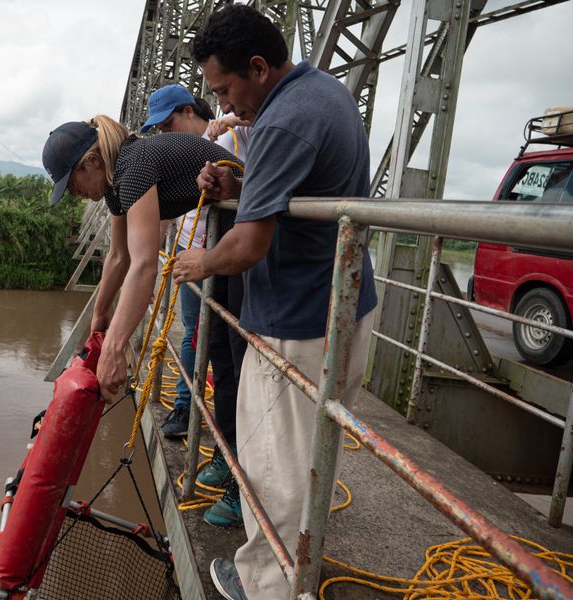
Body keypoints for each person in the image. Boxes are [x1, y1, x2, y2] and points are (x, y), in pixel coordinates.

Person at [172, 5, 378, 600]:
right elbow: (294, 196)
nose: (227, 106)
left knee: (275, 469)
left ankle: (267, 587)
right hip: (340, 305)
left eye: (227, 89)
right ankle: (293, 571)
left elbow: (248, 244)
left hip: (297, 320)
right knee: (309, 459)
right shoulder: (321, 93)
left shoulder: (284, 121)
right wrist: (240, 186)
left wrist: (198, 263)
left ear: (259, 67)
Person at [41, 115, 243, 413]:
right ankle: (229, 451)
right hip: (228, 239)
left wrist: (114, 348)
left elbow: (144, 263)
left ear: (92, 162)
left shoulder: (134, 166)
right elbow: (119, 256)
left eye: (71, 183)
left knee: (233, 353)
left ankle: (233, 454)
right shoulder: (117, 181)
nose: (74, 193)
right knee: (219, 347)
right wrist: (100, 314)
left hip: (247, 236)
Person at [140, 84, 251, 528]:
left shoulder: (231, 136)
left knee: (228, 358)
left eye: (169, 125)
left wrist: (226, 127)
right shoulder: (203, 144)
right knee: (213, 353)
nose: (165, 135)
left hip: (224, 265)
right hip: (195, 257)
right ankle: (224, 451)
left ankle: (227, 455)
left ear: (189, 111)